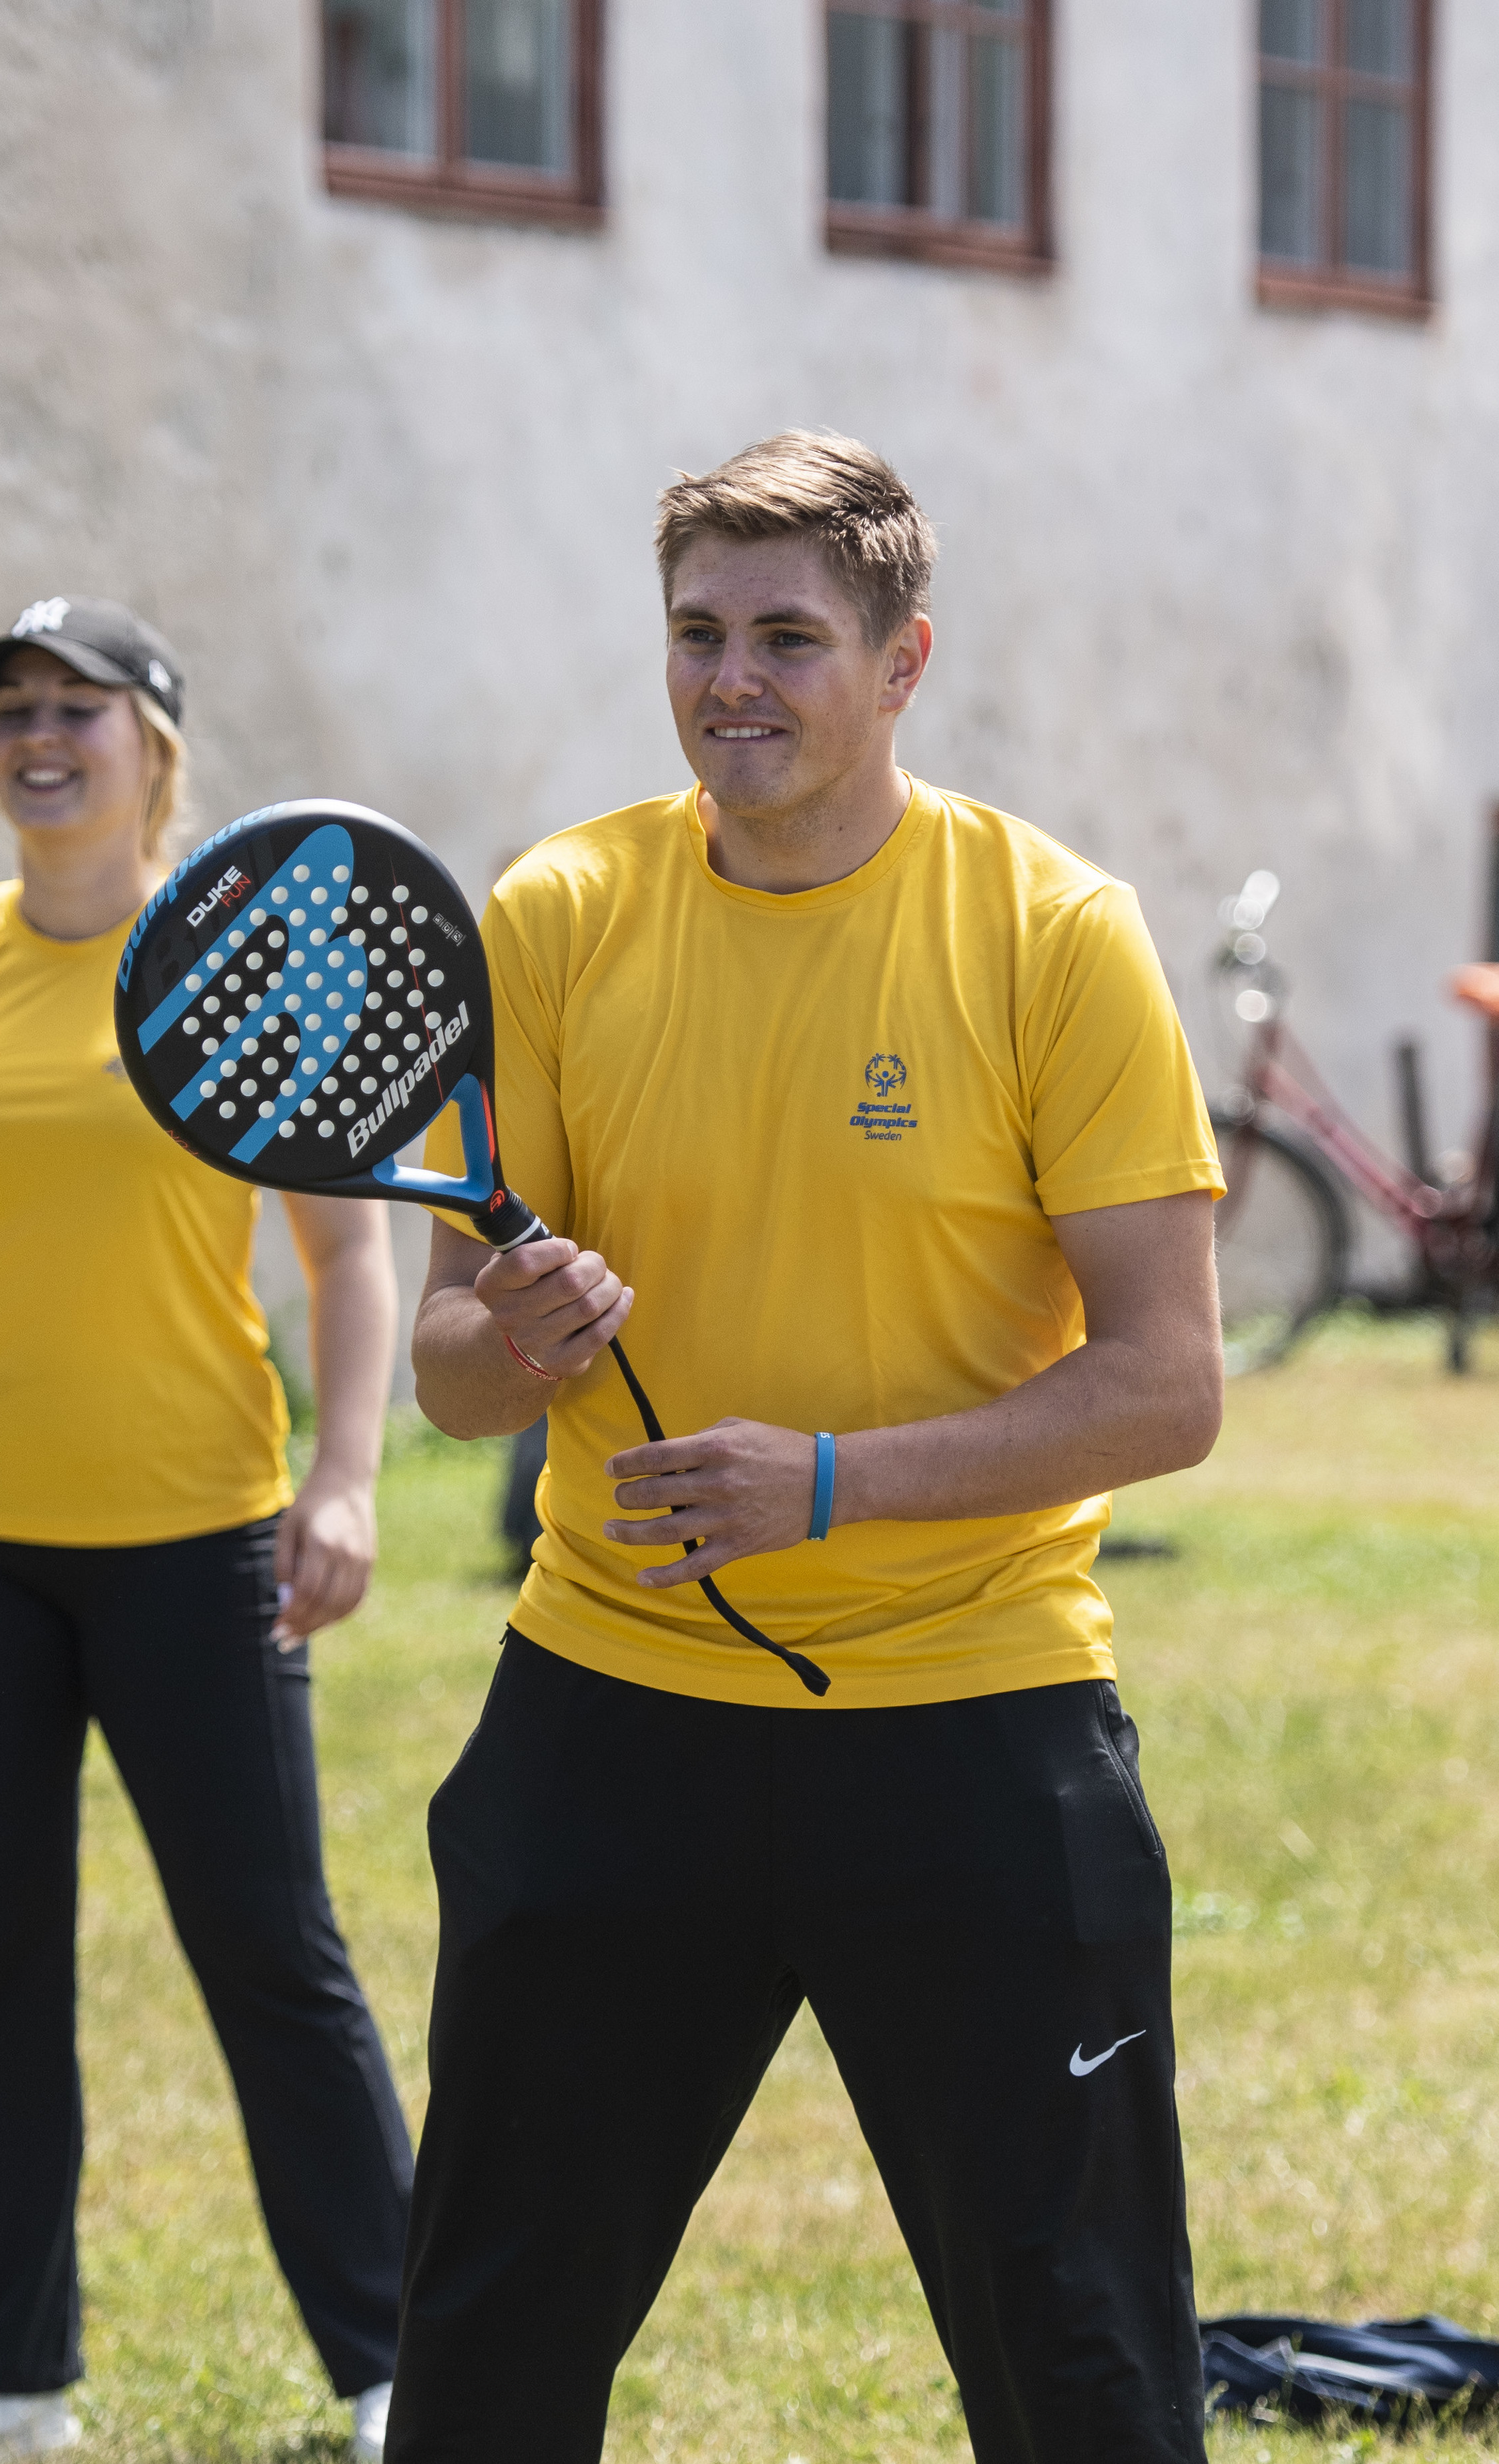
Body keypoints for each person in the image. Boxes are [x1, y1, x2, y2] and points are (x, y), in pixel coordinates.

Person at [398, 434, 1226, 2462]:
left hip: (975, 1726)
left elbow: (1169, 1384)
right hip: (608, 1714)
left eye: (787, 636)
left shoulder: (1052, 932)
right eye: (696, 634)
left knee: (1082, 2365)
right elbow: (447, 1371)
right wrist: (517, 1336)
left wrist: (834, 1483)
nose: (730, 681)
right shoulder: (564, 911)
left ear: (904, 658)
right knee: (492, 2343)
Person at [0, 598, 411, 2464]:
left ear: (158, 749)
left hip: (199, 1546)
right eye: (14, 713)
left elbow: (350, 1251)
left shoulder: (227, 970)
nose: (41, 739)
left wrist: (349, 1474)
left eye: (82, 710)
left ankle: (399, 2374)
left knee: (269, 1952)